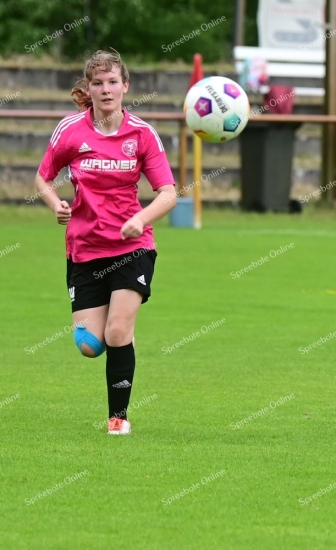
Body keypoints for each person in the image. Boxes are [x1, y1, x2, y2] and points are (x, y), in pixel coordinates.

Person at [34, 49, 176, 435]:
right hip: (84, 247)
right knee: (89, 345)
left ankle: (119, 417)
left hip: (133, 247)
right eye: (98, 82)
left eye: (113, 81)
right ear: (89, 88)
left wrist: (140, 219)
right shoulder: (71, 131)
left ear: (125, 86)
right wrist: (56, 205)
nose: (106, 89)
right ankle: (108, 336)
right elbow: (43, 178)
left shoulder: (142, 134)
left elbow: (167, 193)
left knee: (117, 332)